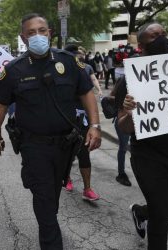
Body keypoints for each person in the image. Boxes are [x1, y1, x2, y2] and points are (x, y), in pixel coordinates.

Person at [0, 13, 101, 250]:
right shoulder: (14, 70)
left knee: (52, 194)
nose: (37, 36)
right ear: (23, 37)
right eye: (31, 33)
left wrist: (94, 125)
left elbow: (86, 92)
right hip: (34, 146)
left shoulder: (68, 61)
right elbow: (0, 105)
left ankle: (48, 219)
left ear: (50, 32)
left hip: (65, 144)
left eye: (42, 30)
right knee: (44, 197)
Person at [117, 23, 168, 250]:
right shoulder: (131, 77)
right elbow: (124, 127)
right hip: (148, 157)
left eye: (163, 34)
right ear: (141, 46)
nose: (161, 39)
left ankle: (141, 212)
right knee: (161, 216)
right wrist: (130, 114)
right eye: (154, 36)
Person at [63, 44, 101, 201]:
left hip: (83, 120)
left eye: (79, 56)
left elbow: (89, 96)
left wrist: (95, 125)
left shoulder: (84, 70)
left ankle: (87, 188)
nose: (78, 59)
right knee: (67, 154)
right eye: (75, 56)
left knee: (84, 153)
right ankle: (67, 179)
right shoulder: (59, 72)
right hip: (65, 120)